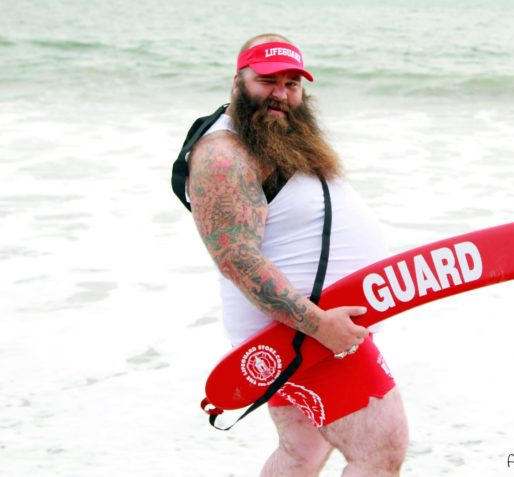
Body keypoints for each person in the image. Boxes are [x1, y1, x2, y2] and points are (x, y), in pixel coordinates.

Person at [171, 33, 409, 476]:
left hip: (308, 332)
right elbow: (237, 258)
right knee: (381, 449)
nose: (281, 94)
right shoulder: (223, 156)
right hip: (303, 335)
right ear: (237, 81)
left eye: (292, 83)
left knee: (303, 453)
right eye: (267, 81)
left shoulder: (270, 137)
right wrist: (319, 325)